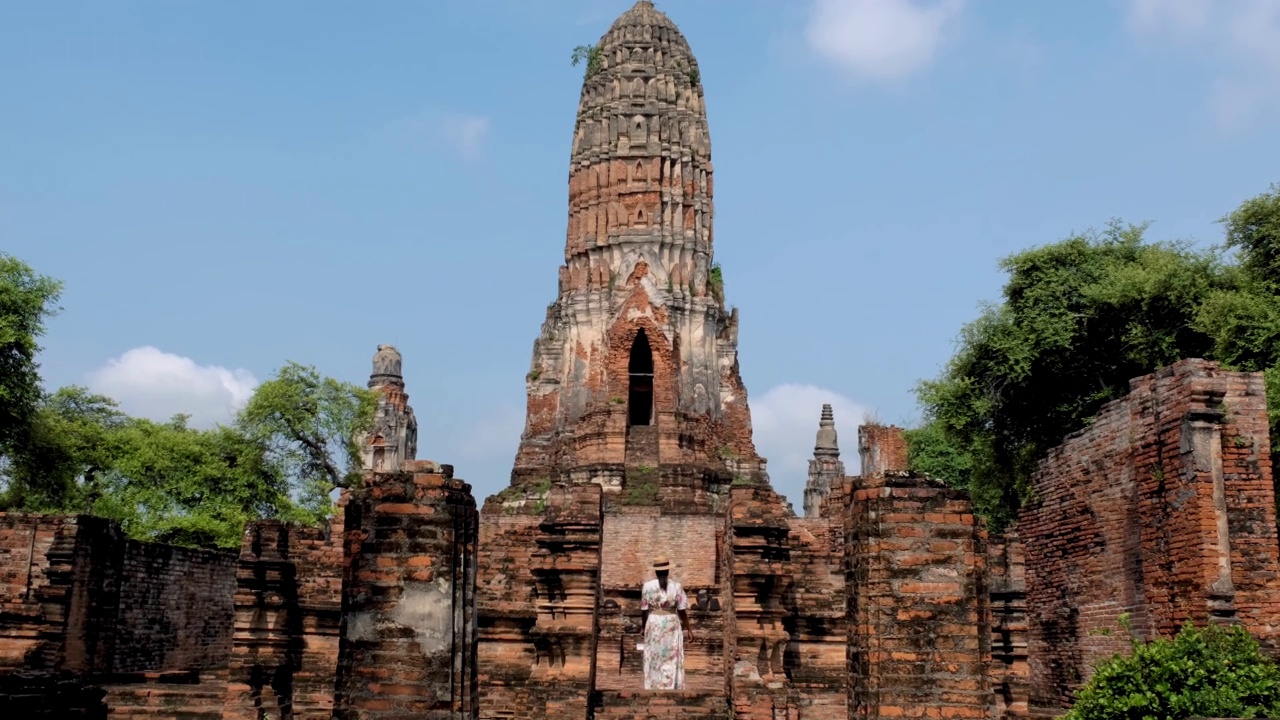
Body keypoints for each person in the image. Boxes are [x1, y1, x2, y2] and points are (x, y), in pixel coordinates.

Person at [639, 554, 693, 690]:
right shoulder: (676, 586)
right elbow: (681, 610)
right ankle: (671, 685)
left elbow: (644, 609)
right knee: (671, 655)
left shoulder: (647, 586)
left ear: (656, 571)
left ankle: (654, 684)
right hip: (671, 623)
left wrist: (643, 626)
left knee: (655, 654)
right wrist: (689, 628)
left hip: (653, 623)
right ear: (668, 571)